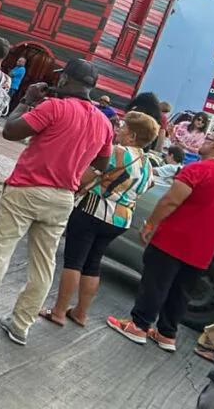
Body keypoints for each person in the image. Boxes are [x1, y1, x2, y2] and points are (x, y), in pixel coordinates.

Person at [0, 58, 113, 346]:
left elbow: (11, 131)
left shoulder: (54, 106)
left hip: (27, 188)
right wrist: (78, 178)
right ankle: (21, 324)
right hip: (63, 196)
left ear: (65, 81)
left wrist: (26, 100)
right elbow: (103, 161)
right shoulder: (103, 122)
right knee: (44, 263)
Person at [108, 131, 214, 351]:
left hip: (173, 239)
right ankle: (167, 334)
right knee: (181, 292)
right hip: (203, 248)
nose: (203, 142)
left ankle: (139, 325)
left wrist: (150, 224)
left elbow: (170, 200)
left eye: (208, 139)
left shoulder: (198, 169)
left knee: (155, 283)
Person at [41, 111, 159, 327]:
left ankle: (58, 311)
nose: (118, 130)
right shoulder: (147, 163)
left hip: (92, 209)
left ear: (132, 136)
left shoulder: (117, 152)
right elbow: (148, 185)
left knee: (74, 261)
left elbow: (90, 173)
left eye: (122, 127)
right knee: (93, 264)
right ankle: (80, 313)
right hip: (120, 220)